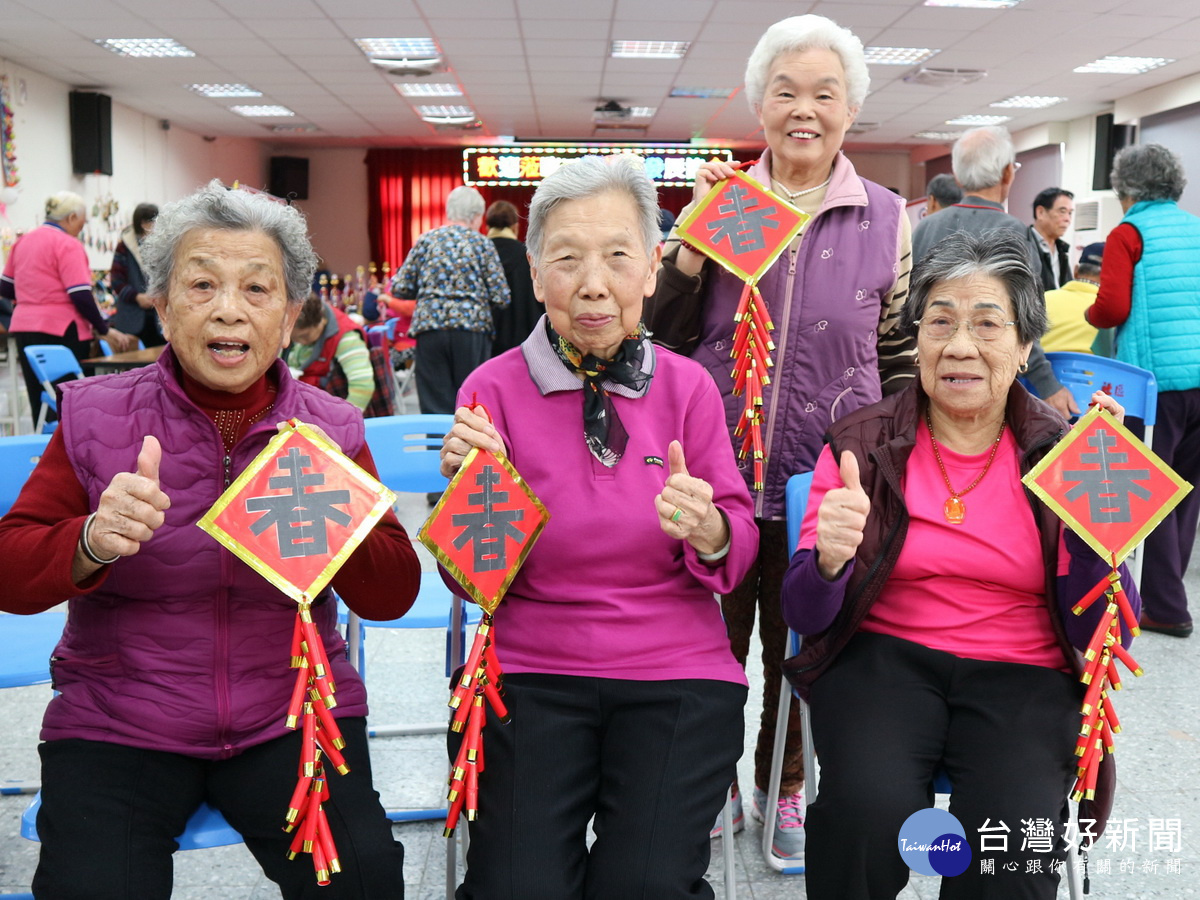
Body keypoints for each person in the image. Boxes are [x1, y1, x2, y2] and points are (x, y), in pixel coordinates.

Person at [0, 180, 418, 899]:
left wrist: (332, 521)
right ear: (159, 304)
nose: (228, 308)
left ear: (289, 317)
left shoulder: (330, 430)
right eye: (201, 285)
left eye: (257, 289)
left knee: (365, 880)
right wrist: (91, 539)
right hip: (119, 716)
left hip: (291, 713)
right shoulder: (95, 415)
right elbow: (10, 572)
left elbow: (392, 595)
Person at [782, 230, 1139, 899]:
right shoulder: (860, 444)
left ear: (1026, 347)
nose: (960, 346)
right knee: (868, 812)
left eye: (986, 324)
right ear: (916, 341)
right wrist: (828, 562)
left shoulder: (1067, 454)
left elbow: (1114, 627)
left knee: (1011, 838)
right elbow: (802, 613)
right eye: (940, 321)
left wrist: (1102, 517)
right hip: (883, 659)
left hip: (1025, 673)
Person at [440, 156, 757, 900]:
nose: (593, 283)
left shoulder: (690, 388)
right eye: (568, 258)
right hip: (527, 668)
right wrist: (470, 495)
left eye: (617, 256)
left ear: (651, 269)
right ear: (535, 270)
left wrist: (708, 527)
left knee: (643, 885)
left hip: (677, 671)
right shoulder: (490, 389)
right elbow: (468, 582)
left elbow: (738, 549)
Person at [644, 13, 916, 857]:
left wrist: (884, 471)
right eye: (786, 91)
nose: (804, 108)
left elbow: (899, 355)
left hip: (826, 486)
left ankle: (785, 787)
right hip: (718, 476)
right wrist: (689, 254)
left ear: (849, 111)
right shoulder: (726, 207)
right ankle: (711, 779)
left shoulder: (885, 215)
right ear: (760, 106)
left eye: (824, 94)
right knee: (706, 647)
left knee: (807, 651)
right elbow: (661, 340)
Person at [1085, 143, 1200, 638]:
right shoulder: (1196, 228)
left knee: (1148, 492)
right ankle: (1169, 597)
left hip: (1155, 385)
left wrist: (1087, 316)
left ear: (1125, 188)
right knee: (1186, 492)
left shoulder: (1129, 233)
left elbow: (1110, 309)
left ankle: (1168, 608)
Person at [911, 126, 1075, 418]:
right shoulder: (1013, 232)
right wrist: (1048, 385)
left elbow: (910, 310)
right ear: (1007, 174)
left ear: (958, 177)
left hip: (932, 375)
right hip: (988, 380)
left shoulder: (925, 227)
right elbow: (1026, 321)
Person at [0, 191, 135, 427]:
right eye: (83, 222)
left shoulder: (23, 241)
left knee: (41, 398)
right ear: (72, 217)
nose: (82, 227)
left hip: (24, 327)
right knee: (71, 399)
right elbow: (80, 295)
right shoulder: (68, 244)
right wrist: (104, 329)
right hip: (62, 330)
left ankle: (45, 450)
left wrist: (32, 296)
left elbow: (6, 287)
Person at [390, 185, 510, 415]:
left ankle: (436, 448)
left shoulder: (427, 240)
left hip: (430, 329)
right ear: (477, 216)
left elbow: (400, 286)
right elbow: (501, 296)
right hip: (471, 331)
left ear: (449, 212)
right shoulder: (482, 244)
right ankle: (471, 450)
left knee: (435, 405)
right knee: (472, 400)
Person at [287, 290, 376, 412]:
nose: (297, 341)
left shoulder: (347, 338)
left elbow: (363, 386)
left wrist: (345, 420)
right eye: (292, 337)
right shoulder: (299, 331)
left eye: (304, 336)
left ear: (322, 321)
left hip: (332, 410)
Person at [484, 199, 540, 356]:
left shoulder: (478, 255)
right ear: (516, 227)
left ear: (487, 226)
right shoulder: (529, 256)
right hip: (523, 342)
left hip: (486, 342)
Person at [109, 201, 166, 349]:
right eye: (154, 222)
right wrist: (137, 297)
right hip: (132, 318)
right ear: (143, 224)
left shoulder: (163, 246)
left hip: (159, 317)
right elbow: (116, 281)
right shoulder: (124, 247)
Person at [1043, 242, 1112, 356]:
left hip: (1043, 371)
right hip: (1095, 373)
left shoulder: (1042, 300)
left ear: (1076, 271)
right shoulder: (1112, 311)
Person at [1028, 187, 1075, 291]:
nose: (1068, 219)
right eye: (1062, 211)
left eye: (1070, 213)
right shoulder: (1024, 245)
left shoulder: (1062, 249)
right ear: (1040, 212)